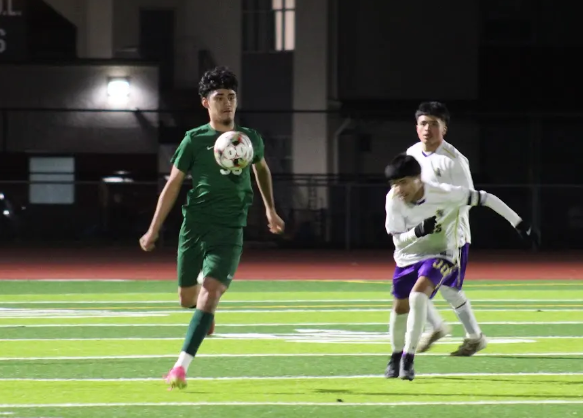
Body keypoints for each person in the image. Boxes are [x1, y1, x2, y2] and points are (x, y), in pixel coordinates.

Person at [139, 66, 285, 390]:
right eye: (219, 98)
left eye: (231, 97)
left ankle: (180, 367)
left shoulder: (249, 139)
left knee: (210, 296)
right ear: (206, 103)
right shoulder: (194, 140)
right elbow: (173, 185)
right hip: (195, 226)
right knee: (186, 298)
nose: (227, 104)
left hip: (230, 228)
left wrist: (270, 210)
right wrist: (153, 230)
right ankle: (205, 303)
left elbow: (262, 170)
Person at [383, 154, 538, 381]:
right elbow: (397, 241)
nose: (399, 189)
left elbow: (486, 198)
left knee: (418, 296)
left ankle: (409, 358)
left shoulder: (444, 193)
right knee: (400, 308)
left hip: (442, 254)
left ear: (419, 179)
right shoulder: (393, 199)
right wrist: (419, 231)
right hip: (407, 257)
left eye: (404, 182)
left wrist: (519, 224)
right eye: (395, 184)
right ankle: (395, 357)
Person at [406, 101, 484, 356]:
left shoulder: (454, 161)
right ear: (417, 127)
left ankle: (471, 336)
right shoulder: (412, 153)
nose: (427, 129)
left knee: (449, 289)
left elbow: (468, 199)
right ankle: (446, 329)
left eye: (433, 124)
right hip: (421, 234)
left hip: (451, 237)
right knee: (411, 283)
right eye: (423, 123)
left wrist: (441, 221)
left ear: (444, 128)